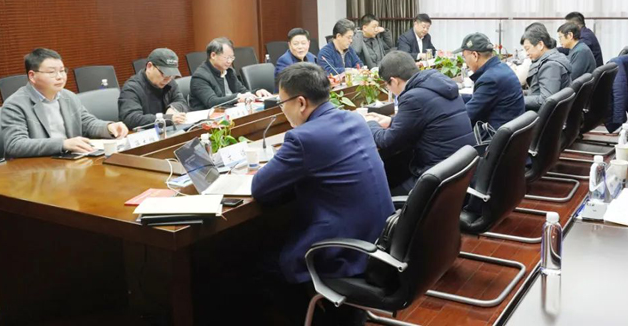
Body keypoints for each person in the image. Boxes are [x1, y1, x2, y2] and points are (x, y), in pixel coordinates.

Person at [252, 62, 393, 321]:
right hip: (380, 238)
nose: (282, 110)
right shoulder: (355, 119)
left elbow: (260, 188)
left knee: (266, 264)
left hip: (345, 250)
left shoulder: (303, 138)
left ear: (301, 103)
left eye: (282, 103)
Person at [365, 51, 475, 194]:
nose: (389, 89)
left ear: (394, 81)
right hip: (461, 172)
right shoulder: (440, 84)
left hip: (438, 179)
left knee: (380, 191)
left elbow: (387, 142)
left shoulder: (413, 97)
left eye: (387, 85)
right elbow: (428, 117)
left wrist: (371, 124)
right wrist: (391, 121)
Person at [1, 48, 128, 158]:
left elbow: (86, 123)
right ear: (32, 76)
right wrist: (63, 144)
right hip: (36, 167)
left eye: (62, 70)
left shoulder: (68, 96)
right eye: (52, 72)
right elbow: (15, 145)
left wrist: (108, 128)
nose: (60, 77)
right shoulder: (15, 104)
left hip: (70, 160)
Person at [455, 33, 525, 130]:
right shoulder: (502, 68)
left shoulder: (489, 79)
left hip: (493, 136)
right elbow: (478, 99)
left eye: (464, 57)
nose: (465, 62)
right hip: (509, 133)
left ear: (475, 55)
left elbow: (467, 117)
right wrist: (457, 98)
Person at [189, 37, 271, 110]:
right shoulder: (200, 77)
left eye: (232, 58)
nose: (229, 61)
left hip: (228, 112)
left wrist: (255, 92)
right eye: (227, 58)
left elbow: (242, 91)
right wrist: (237, 98)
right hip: (207, 119)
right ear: (213, 55)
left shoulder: (229, 71)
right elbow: (212, 102)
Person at [118, 48, 189, 129]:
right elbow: (131, 119)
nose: (168, 79)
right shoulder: (131, 88)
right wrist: (166, 119)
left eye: (172, 75)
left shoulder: (170, 82)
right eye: (164, 73)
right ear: (149, 66)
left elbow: (182, 102)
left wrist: (173, 108)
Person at [520, 27, 572, 111]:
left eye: (527, 49)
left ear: (540, 45)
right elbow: (537, 90)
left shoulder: (551, 66)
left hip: (540, 116)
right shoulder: (556, 56)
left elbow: (545, 100)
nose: (527, 54)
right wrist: (519, 94)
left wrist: (516, 100)